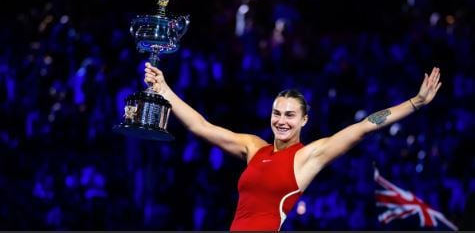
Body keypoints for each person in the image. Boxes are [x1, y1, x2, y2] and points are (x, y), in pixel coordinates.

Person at [144, 63, 442, 231]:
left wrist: (415, 103)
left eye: (290, 115)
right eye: (277, 113)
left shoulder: (308, 156)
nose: (281, 121)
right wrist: (164, 90)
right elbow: (201, 127)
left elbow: (364, 127)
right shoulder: (253, 147)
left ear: (304, 120)